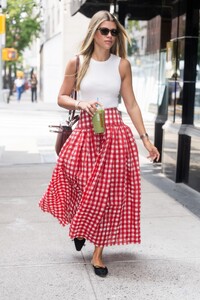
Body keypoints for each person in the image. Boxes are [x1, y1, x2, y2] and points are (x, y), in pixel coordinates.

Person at [39, 10, 160, 277]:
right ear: (93, 32)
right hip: (85, 132)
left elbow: (131, 104)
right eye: (104, 31)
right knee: (81, 185)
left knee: (108, 196)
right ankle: (81, 227)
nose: (109, 36)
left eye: (114, 31)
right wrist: (80, 102)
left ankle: (98, 254)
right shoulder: (77, 62)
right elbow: (61, 97)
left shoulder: (122, 65)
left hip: (115, 134)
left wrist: (146, 140)